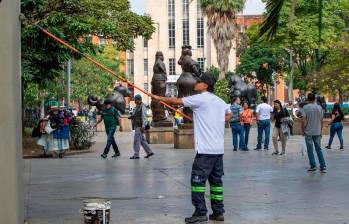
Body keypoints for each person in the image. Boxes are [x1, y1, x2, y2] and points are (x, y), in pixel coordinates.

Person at [152, 72, 233, 224]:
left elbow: (177, 101)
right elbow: (230, 115)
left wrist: (159, 98)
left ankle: (201, 212)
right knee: (216, 183)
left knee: (197, 181)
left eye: (199, 81)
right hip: (217, 151)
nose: (196, 83)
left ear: (205, 86)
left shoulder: (200, 99)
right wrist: (214, 120)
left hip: (205, 151)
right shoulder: (220, 101)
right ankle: (218, 212)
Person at [301, 93, 327, 173]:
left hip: (308, 131)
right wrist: (321, 130)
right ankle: (323, 166)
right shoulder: (319, 108)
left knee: (310, 149)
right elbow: (321, 120)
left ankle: (313, 166)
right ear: (315, 99)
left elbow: (303, 120)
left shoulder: (305, 108)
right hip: (317, 131)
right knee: (318, 148)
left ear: (307, 99)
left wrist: (302, 130)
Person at [129, 94, 154, 159]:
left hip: (140, 126)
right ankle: (149, 152)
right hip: (137, 125)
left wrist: (143, 126)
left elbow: (144, 117)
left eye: (135, 100)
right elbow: (135, 114)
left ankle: (136, 154)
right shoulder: (138, 106)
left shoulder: (143, 107)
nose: (135, 101)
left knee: (136, 140)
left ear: (139, 100)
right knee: (142, 140)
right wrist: (132, 116)